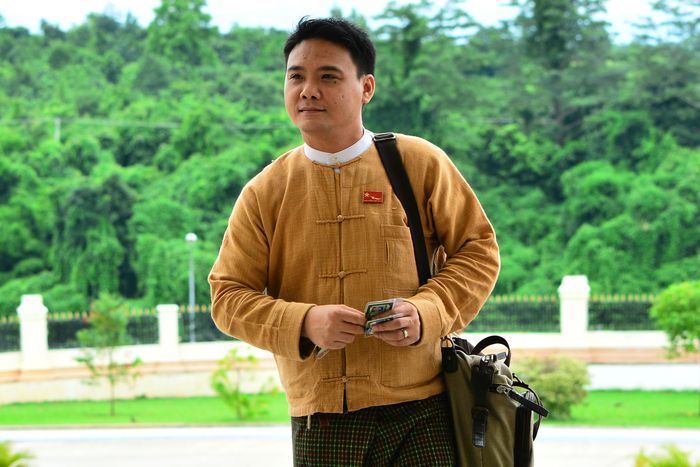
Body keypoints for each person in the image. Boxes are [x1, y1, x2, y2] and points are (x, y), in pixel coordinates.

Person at [209, 17, 500, 465]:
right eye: (296, 77)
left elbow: (478, 250)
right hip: (320, 415)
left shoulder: (417, 162)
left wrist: (427, 312)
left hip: (425, 405)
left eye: (328, 77)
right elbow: (228, 297)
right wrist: (305, 322)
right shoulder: (266, 191)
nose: (308, 91)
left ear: (366, 87)